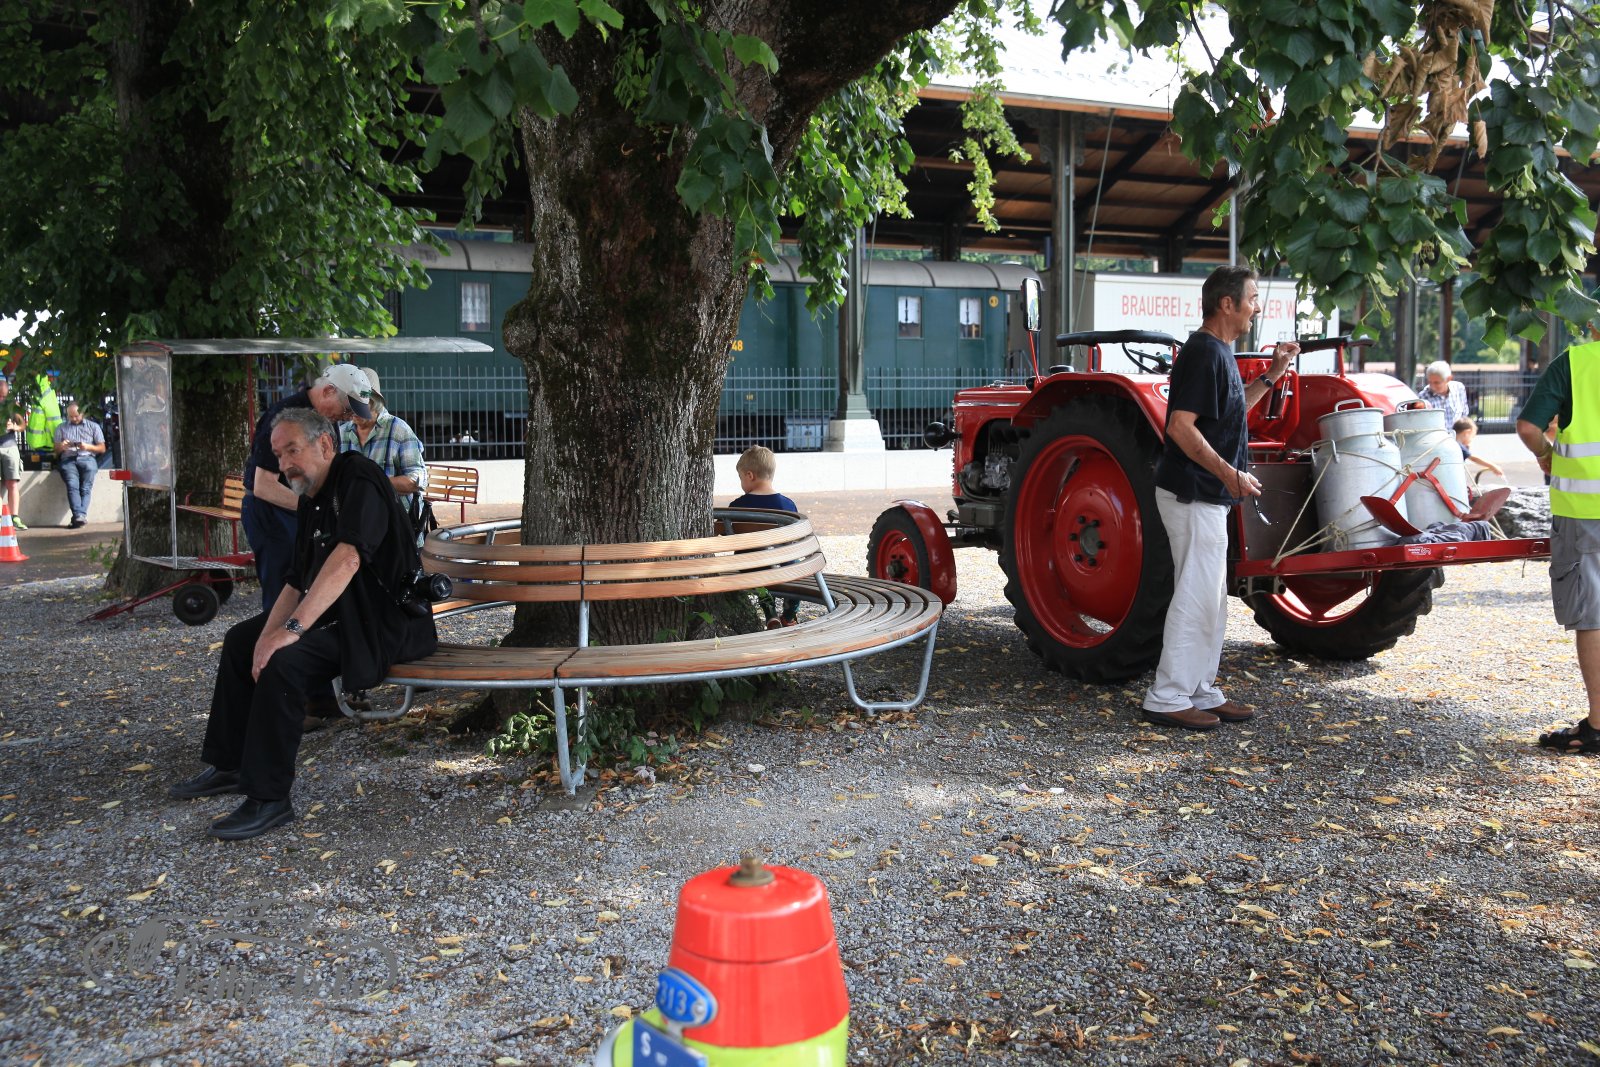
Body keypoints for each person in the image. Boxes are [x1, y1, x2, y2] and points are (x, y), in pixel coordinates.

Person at [166, 408, 438, 838]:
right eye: (278, 455)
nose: (284, 464)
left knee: (285, 663)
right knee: (242, 640)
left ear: (325, 444)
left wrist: (289, 633)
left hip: (385, 625)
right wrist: (267, 636)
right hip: (344, 617)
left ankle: (269, 798)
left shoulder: (359, 479)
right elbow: (296, 580)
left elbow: (348, 559)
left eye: (292, 450)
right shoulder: (312, 495)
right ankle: (230, 764)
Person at [1140, 265, 1296, 731]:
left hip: (1206, 494)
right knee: (1195, 596)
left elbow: (1230, 413)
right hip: (1194, 494)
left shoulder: (1217, 351)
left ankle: (1200, 689)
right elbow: (1180, 428)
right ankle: (1167, 696)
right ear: (1227, 304)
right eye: (1252, 298)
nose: (1256, 307)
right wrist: (1230, 474)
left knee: (1210, 598)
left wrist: (1272, 375)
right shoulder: (1205, 352)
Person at [1517, 335, 1600, 755]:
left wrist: (1545, 452)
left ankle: (1599, 725)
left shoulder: (1576, 362)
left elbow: (1529, 428)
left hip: (1586, 508)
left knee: (1593, 612)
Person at [242, 364, 375, 612]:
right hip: (274, 514)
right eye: (347, 409)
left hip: (303, 512)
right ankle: (277, 635)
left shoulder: (326, 419)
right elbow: (263, 486)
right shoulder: (285, 417)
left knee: (313, 591)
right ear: (328, 391)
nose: (349, 417)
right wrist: (316, 507)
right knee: (283, 595)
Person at [337, 367, 427, 525]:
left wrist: (372, 482)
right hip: (355, 521)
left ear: (373, 401)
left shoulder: (398, 430)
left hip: (395, 522)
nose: (352, 410)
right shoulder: (341, 432)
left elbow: (417, 480)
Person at [729, 445, 801, 628]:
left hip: (751, 567)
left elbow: (721, 530)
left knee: (762, 577)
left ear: (749, 475)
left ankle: (770, 614)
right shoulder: (788, 505)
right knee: (797, 569)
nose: (741, 483)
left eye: (740, 478)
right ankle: (789, 616)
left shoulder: (737, 506)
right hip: (784, 566)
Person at [52, 402, 107, 527]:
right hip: (68, 460)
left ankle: (78, 516)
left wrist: (87, 447)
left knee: (86, 488)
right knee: (72, 485)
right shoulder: (61, 428)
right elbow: (56, 450)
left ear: (82, 414)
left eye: (76, 416)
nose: (74, 419)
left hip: (87, 458)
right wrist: (62, 446)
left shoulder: (93, 427)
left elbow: (102, 448)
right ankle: (79, 516)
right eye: (70, 416)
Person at [0, 373, 24, 529]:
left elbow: (22, 425)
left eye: (4, 395)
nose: (1, 398)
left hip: (9, 446)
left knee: (12, 482)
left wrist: (14, 427)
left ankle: (15, 517)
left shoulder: (12, 405)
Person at [1418, 360, 1471, 426]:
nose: (1432, 386)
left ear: (1449, 379)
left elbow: (1464, 414)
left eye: (1436, 383)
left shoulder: (1459, 388)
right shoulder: (1423, 397)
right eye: (1430, 382)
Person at [1453, 416, 1504, 482]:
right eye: (1472, 436)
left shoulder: (1452, 442)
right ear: (1467, 433)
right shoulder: (1457, 445)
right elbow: (1474, 459)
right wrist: (1493, 466)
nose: (1471, 440)